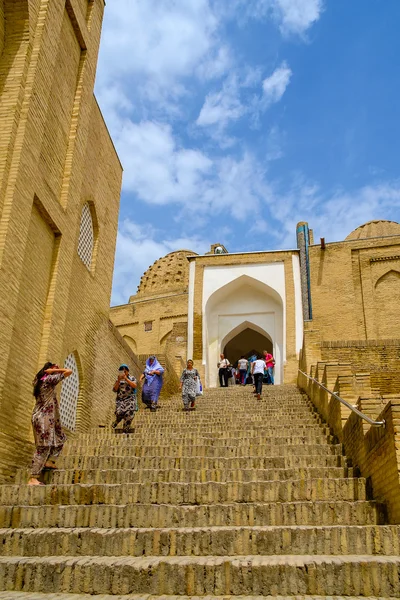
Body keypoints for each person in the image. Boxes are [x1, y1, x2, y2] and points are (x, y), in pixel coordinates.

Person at [28, 362, 72, 486]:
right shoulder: (48, 379)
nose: (58, 370)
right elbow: (69, 371)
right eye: (55, 368)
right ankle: (33, 478)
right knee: (43, 447)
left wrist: (51, 370)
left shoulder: (38, 380)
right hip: (44, 419)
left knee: (60, 438)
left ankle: (48, 461)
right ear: (49, 370)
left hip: (46, 418)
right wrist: (53, 371)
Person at [112, 364, 138, 433]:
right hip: (120, 400)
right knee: (119, 413)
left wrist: (126, 379)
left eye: (125, 371)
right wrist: (118, 380)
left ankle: (125, 429)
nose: (124, 373)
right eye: (122, 371)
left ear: (127, 371)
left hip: (130, 400)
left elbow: (134, 385)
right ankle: (117, 420)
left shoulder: (132, 378)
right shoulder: (118, 380)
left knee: (129, 414)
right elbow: (115, 389)